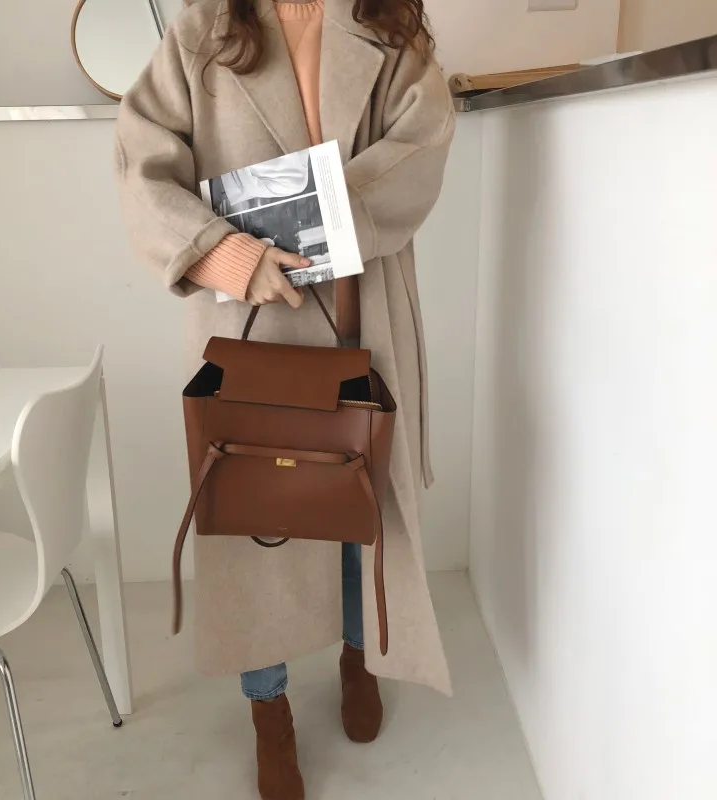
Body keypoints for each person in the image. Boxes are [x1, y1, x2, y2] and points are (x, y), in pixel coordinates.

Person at [116, 1, 455, 798]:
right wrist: (226, 254)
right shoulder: (202, 30)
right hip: (250, 321)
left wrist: (302, 227)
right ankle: (268, 711)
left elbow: (421, 145)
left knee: (360, 505)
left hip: (364, 309)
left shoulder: (388, 24)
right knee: (256, 520)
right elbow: (141, 162)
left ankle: (359, 655)